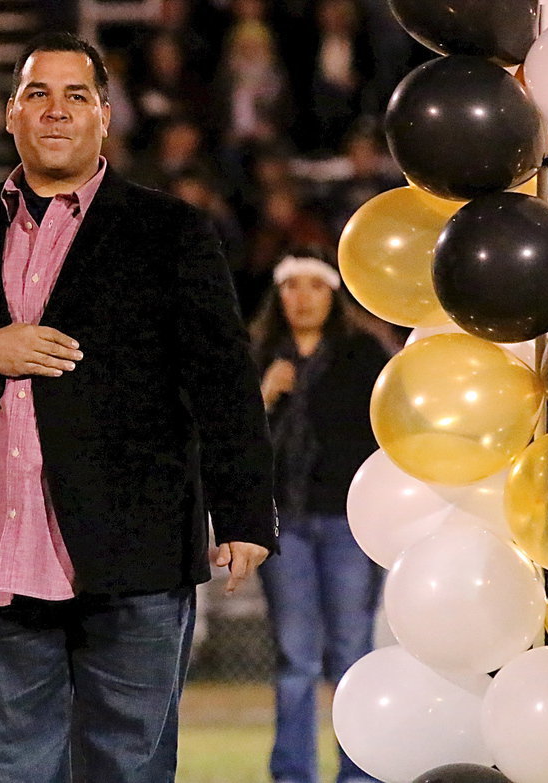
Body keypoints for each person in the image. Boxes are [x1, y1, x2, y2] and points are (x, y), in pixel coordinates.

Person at [0, 32, 278, 783]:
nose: (55, 110)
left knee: (128, 767)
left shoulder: (173, 231)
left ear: (104, 116)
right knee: (5, 771)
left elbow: (223, 378)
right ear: (9, 115)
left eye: (75, 95)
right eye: (37, 93)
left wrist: (247, 514)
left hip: (136, 550)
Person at [250, 249, 387, 783]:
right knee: (295, 659)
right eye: (291, 286)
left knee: (351, 652)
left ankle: (358, 771)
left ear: (333, 293)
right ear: (278, 295)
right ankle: (293, 773)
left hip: (346, 523)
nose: (301, 297)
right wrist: (264, 394)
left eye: (313, 285)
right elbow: (232, 444)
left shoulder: (362, 354)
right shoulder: (258, 353)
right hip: (284, 524)